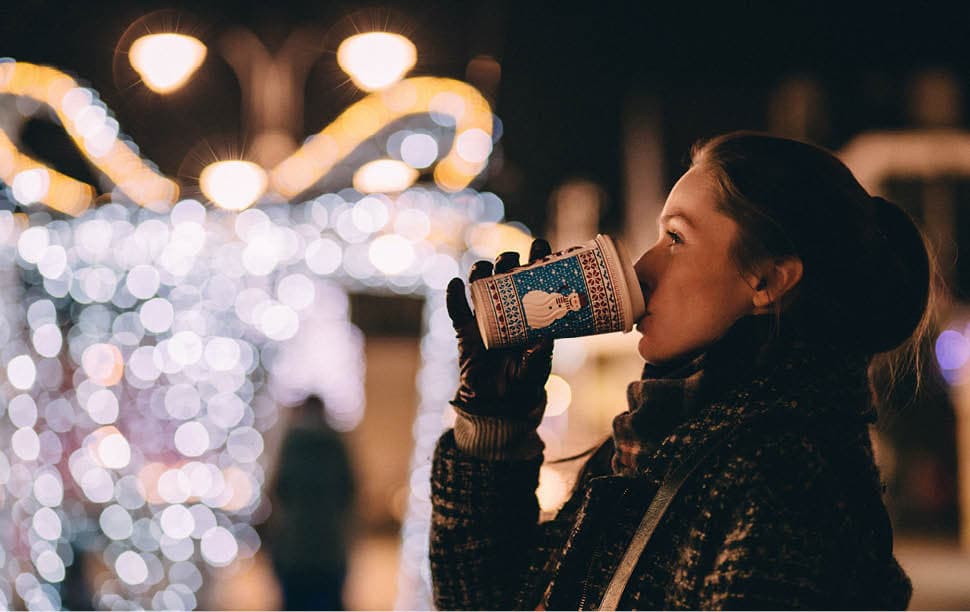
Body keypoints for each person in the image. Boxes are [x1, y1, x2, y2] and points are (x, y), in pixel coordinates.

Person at [430, 131, 937, 610]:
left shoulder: (785, 478)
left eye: (676, 237)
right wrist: (495, 421)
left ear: (766, 280)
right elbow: (488, 599)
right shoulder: (657, 443)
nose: (644, 266)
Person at [263, 395, 356, 610]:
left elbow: (278, 489)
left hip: (295, 547)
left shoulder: (291, 444)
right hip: (329, 546)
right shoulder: (335, 443)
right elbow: (349, 490)